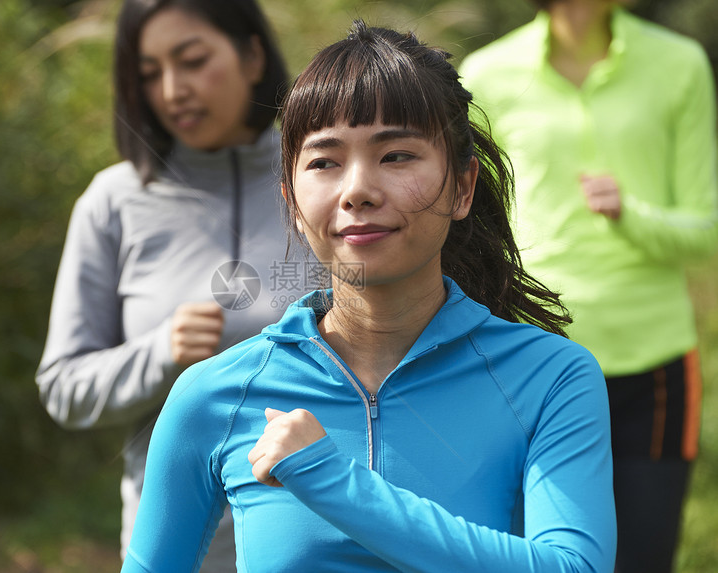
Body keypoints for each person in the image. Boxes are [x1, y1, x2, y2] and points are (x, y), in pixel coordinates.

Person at [120, 21, 617, 573]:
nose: (357, 190)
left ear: (462, 187)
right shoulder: (214, 394)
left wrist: (330, 479)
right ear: (290, 199)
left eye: (397, 155)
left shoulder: (552, 376)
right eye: (324, 162)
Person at [35, 0, 303, 568]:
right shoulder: (114, 201)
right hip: (177, 546)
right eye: (150, 73)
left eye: (193, 60)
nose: (173, 89)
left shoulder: (324, 182)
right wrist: (159, 352)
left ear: (253, 55)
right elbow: (63, 385)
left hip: (321, 537)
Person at [459, 1, 718, 571]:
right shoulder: (487, 72)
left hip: (653, 360)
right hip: (531, 356)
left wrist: (632, 214)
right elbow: (471, 225)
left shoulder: (679, 62)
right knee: (534, 559)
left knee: (644, 561)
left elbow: (706, 232)